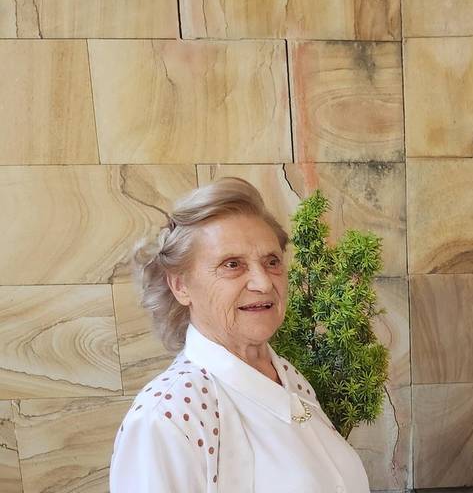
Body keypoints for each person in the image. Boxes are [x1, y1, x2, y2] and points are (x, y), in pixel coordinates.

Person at [110, 178, 370, 492]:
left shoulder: (288, 377)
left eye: (272, 262)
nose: (263, 282)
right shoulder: (168, 417)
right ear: (180, 286)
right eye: (232, 264)